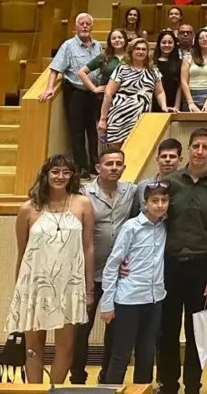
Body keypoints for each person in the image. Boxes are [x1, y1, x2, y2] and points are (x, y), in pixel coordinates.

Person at [6, 155, 94, 384]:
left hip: (69, 285)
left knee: (67, 346)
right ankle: (34, 390)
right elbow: (22, 251)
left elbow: (88, 247)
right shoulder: (28, 209)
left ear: (72, 176)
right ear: (45, 175)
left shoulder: (82, 204)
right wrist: (19, 291)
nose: (60, 176)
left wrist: (90, 287)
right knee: (33, 347)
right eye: (55, 171)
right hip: (35, 286)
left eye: (66, 172)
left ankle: (55, 389)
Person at [158, 128, 207, 394]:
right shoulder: (170, 182)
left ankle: (192, 386)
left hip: (202, 268)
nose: (199, 152)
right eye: (195, 146)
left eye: (205, 147)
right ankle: (168, 384)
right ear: (188, 149)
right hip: (170, 266)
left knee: (196, 331)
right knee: (167, 329)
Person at [70, 147, 138, 385]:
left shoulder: (131, 191)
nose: (114, 168)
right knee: (81, 330)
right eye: (109, 164)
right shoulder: (83, 194)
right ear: (98, 168)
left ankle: (107, 378)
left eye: (119, 164)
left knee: (115, 332)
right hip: (88, 272)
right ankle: (77, 376)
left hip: (119, 275)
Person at [99, 181, 169, 385]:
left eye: (164, 200)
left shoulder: (165, 226)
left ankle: (143, 390)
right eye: (154, 201)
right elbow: (113, 265)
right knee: (121, 355)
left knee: (147, 355)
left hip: (155, 300)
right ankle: (111, 389)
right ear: (145, 203)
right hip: (129, 300)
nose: (159, 205)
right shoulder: (131, 228)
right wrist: (107, 304)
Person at [38, 13, 102, 178]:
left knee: (93, 131)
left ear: (92, 27)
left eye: (88, 23)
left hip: (94, 94)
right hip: (76, 93)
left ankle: (94, 165)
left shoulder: (98, 47)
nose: (85, 26)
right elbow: (55, 68)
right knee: (77, 132)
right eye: (82, 23)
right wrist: (49, 88)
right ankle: (81, 168)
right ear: (76, 26)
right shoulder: (68, 46)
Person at [98, 38, 172, 148]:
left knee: (136, 151)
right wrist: (103, 119)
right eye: (137, 49)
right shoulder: (122, 69)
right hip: (119, 116)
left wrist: (164, 107)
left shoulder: (153, 71)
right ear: (131, 51)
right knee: (115, 152)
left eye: (144, 49)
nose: (140, 52)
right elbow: (108, 93)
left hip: (141, 118)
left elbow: (160, 92)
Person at [181, 28, 207, 113]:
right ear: (197, 41)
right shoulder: (188, 58)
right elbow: (183, 82)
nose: (205, 39)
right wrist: (190, 102)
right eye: (201, 38)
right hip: (191, 95)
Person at [78, 29, 129, 101]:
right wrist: (94, 88)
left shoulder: (131, 57)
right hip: (107, 99)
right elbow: (81, 72)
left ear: (125, 40)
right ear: (110, 41)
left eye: (120, 37)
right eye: (114, 38)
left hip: (127, 99)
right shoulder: (103, 57)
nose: (117, 40)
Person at [136, 137, 182, 202]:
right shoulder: (143, 186)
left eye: (172, 156)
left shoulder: (185, 187)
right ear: (157, 160)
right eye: (163, 156)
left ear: (180, 160)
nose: (167, 160)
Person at [153, 30, 183, 112]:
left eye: (170, 42)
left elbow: (180, 87)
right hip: (153, 104)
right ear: (159, 44)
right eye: (164, 42)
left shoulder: (179, 63)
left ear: (174, 45)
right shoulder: (151, 62)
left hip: (172, 105)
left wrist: (176, 106)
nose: (167, 45)